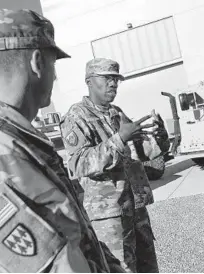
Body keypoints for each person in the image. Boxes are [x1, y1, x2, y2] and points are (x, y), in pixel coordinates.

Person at [0, 9, 124, 273]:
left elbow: (74, 236)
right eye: (53, 64)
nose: (55, 76)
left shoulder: (16, 142)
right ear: (37, 62)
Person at [60, 58, 170, 272]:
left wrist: (161, 139)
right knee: (121, 268)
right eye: (107, 78)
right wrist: (119, 138)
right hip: (108, 215)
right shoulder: (77, 116)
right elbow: (79, 164)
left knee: (148, 267)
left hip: (135, 207)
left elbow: (138, 151)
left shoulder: (116, 113)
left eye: (116, 79)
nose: (113, 84)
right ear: (90, 81)